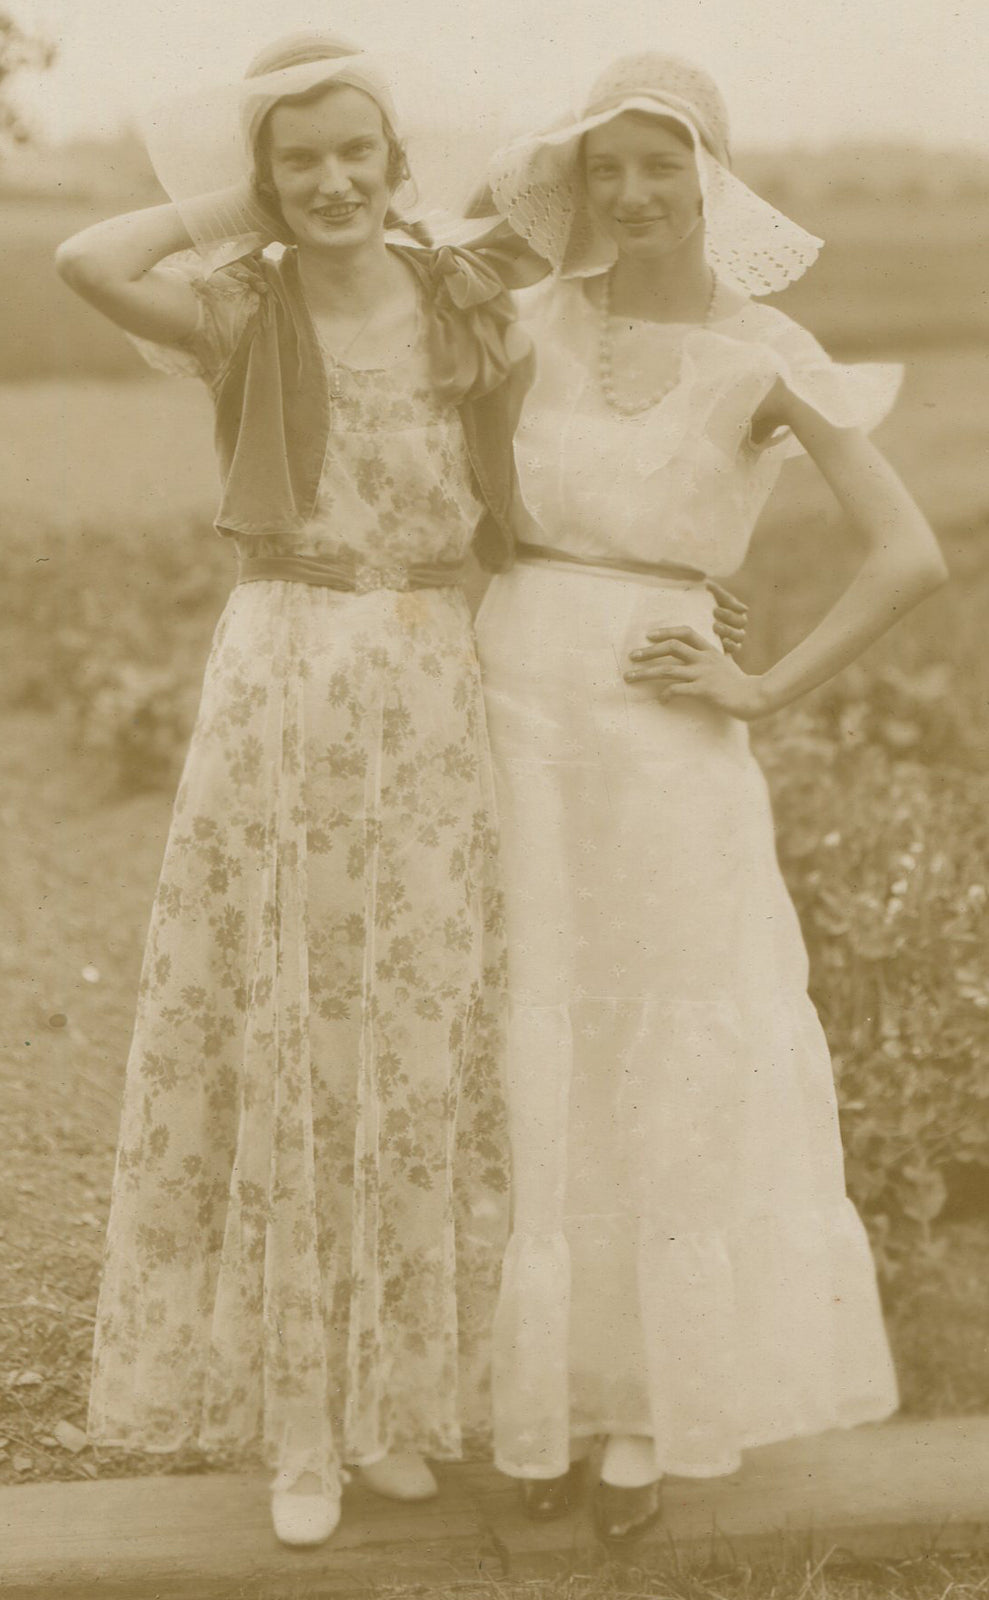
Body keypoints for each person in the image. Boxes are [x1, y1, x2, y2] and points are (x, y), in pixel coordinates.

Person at [54, 31, 537, 1548]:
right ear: (265, 179)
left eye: (354, 153)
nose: (331, 182)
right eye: (298, 158)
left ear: (399, 164)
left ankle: (398, 1402)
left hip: (438, 683)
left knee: (414, 1033)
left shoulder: (466, 300)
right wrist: (226, 206)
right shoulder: (238, 305)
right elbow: (80, 252)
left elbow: (544, 465)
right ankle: (301, 1428)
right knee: (293, 1024)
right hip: (289, 680)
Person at [474, 53, 947, 1542]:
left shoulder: (762, 350)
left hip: (662, 740)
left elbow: (905, 553)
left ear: (707, 180)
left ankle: (638, 1420)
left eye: (659, 168)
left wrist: (760, 680)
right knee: (521, 1038)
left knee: (658, 1046)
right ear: (572, 179)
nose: (630, 195)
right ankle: (532, 1405)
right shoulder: (518, 321)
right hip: (505, 712)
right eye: (603, 168)